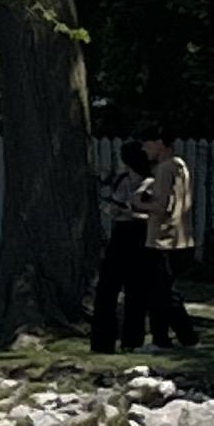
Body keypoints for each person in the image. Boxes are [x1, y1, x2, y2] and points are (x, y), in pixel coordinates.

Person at [88, 140, 152, 354]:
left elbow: (154, 216)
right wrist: (114, 210)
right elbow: (116, 204)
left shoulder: (150, 182)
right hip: (120, 235)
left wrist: (129, 214)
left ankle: (132, 340)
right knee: (107, 289)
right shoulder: (122, 180)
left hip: (140, 236)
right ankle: (102, 342)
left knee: (136, 290)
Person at [138, 134, 200, 353]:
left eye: (147, 142)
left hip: (163, 239)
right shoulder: (180, 166)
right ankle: (181, 337)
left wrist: (137, 203)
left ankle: (167, 339)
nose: (144, 148)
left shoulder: (164, 169)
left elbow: (161, 206)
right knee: (164, 291)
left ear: (160, 143)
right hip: (180, 236)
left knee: (160, 293)